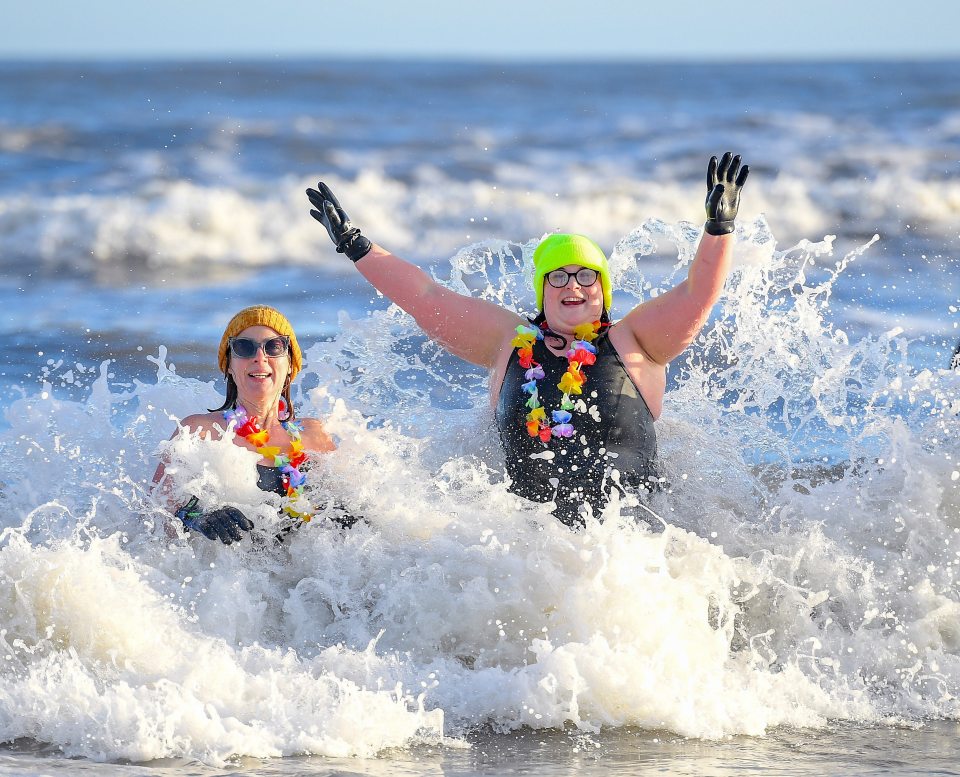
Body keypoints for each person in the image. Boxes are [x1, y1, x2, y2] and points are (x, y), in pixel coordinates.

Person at [306, 153, 749, 526]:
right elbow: (425, 297)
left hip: (632, 553)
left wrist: (718, 229)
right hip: (529, 556)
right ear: (542, 290)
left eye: (586, 276)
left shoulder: (635, 340)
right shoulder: (509, 341)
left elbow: (698, 294)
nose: (571, 285)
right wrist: (355, 244)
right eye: (557, 276)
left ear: (602, 290)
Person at [152, 305, 335, 543]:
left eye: (274, 346)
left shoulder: (314, 434)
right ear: (229, 364)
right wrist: (198, 516)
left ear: (290, 364)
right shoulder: (200, 431)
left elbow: (350, 504)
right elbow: (156, 516)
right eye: (244, 347)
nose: (260, 356)